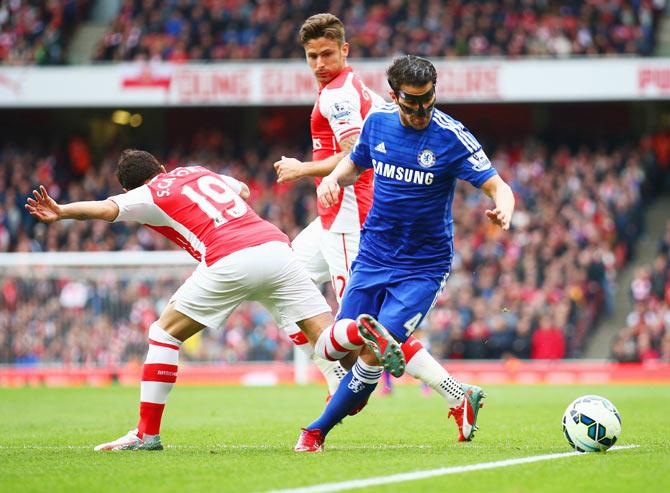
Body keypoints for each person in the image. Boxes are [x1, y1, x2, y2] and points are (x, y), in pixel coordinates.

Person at [24, 149, 360, 451]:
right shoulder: (196, 171)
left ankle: (146, 434)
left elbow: (105, 209)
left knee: (163, 333)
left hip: (229, 256)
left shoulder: (148, 194)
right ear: (160, 165)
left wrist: (62, 211)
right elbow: (242, 190)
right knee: (326, 335)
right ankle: (360, 336)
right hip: (276, 246)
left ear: (131, 187)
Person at [294, 55, 516, 452]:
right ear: (394, 96)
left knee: (375, 353)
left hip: (422, 268)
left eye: (427, 100)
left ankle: (314, 431)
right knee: (336, 347)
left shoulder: (451, 135)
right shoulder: (377, 123)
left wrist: (505, 209)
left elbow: (499, 185)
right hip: (373, 255)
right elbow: (354, 164)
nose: (420, 110)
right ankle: (457, 394)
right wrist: (332, 179)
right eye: (411, 103)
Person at [275, 13, 483, 421]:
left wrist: (302, 168)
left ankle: (453, 393)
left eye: (327, 54)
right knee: (280, 276)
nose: (319, 63)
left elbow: (354, 155)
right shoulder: (346, 88)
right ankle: (335, 374)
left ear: (344, 50)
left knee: (371, 332)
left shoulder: (339, 95)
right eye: (312, 56)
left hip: (354, 220)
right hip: (330, 220)